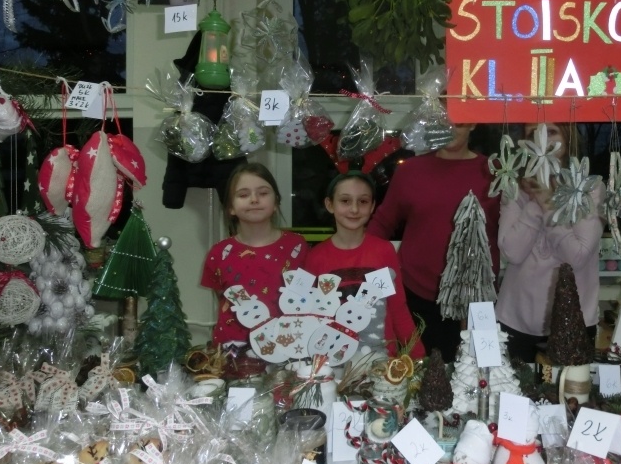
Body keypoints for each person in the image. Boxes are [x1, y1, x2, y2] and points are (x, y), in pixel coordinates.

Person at [368, 124, 500, 362]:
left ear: (473, 124)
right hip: (414, 297)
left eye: (458, 122)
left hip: (475, 301)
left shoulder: (494, 172)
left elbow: (510, 230)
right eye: (442, 121)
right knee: (416, 378)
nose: (450, 128)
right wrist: (364, 272)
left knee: (474, 379)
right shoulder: (410, 171)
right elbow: (380, 225)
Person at [496, 123, 604, 363]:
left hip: (574, 319)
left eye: (551, 131)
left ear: (568, 137)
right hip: (515, 319)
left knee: (570, 395)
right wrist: (536, 203)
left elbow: (576, 256)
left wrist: (547, 203)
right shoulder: (514, 188)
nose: (542, 140)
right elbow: (512, 252)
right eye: (532, 134)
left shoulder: (590, 188)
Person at [305, 171, 425, 360]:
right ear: (330, 205)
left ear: (372, 206)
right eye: (345, 201)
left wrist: (418, 357)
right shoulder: (316, 257)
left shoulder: (383, 251)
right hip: (332, 360)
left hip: (381, 358)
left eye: (362, 202)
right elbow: (309, 316)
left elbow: (397, 307)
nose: (354, 209)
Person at [201, 162, 308, 347]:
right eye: (243, 195)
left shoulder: (297, 246)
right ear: (230, 208)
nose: (254, 200)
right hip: (231, 352)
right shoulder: (219, 253)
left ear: (276, 202)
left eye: (263, 193)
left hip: (285, 347)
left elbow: (305, 297)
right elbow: (222, 298)